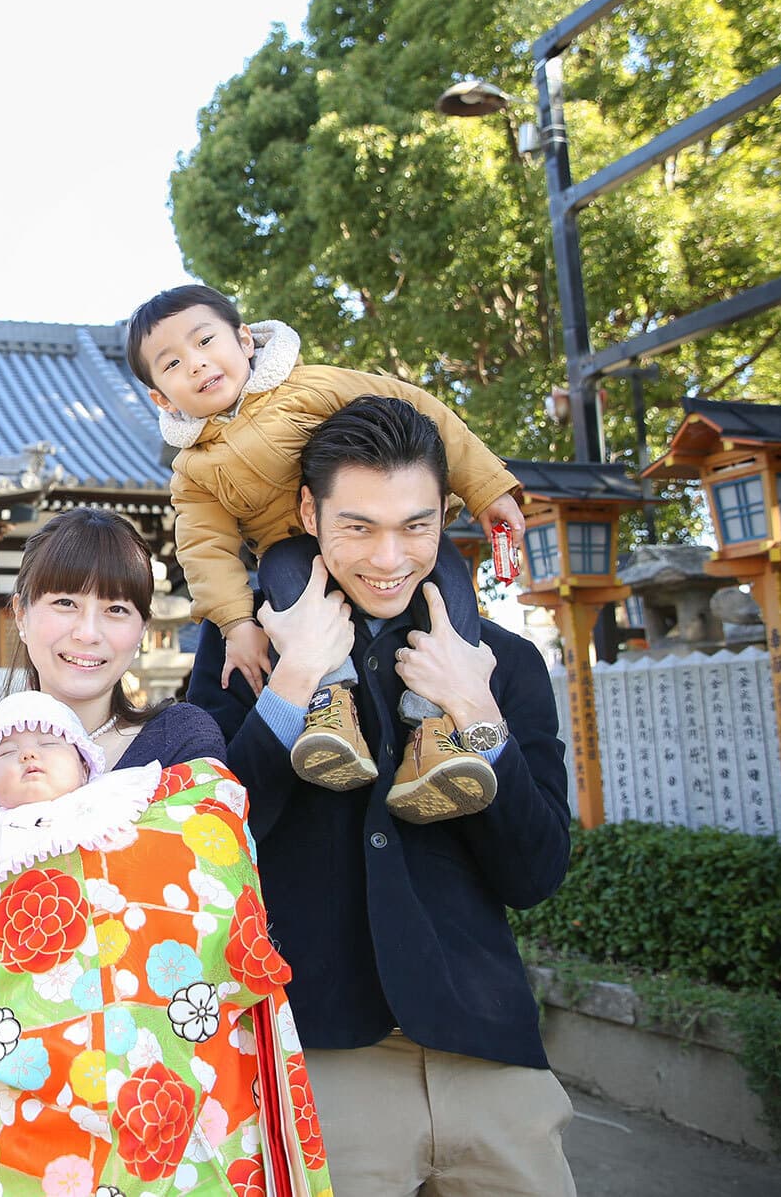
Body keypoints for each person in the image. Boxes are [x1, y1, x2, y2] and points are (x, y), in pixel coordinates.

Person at [189, 395, 576, 1195]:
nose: (390, 556)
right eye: (358, 526)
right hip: (323, 1055)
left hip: (490, 1051)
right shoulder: (246, 648)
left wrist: (479, 714)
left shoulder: (501, 661)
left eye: (416, 525)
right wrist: (292, 683)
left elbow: (536, 873)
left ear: (444, 513)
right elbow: (206, 849)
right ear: (307, 510)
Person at [0, 691, 332, 1195]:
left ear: (89, 765)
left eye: (49, 742)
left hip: (154, 1043)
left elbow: (214, 873)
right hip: (5, 1053)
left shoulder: (133, 799)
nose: (28, 754)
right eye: (5, 751)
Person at [127, 284, 525, 821]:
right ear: (160, 395)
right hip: (292, 559)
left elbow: (417, 412)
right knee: (283, 563)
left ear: (245, 339)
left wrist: (488, 488)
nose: (197, 365)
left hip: (386, 567)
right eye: (173, 363)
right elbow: (205, 548)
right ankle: (327, 707)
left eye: (206, 342)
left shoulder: (311, 386)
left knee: (448, 580)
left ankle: (436, 728)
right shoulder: (195, 469)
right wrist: (237, 625)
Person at [0, 506, 225, 836]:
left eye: (116, 609)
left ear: (142, 629)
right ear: (21, 614)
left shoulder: (180, 741)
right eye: (65, 603)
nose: (88, 633)